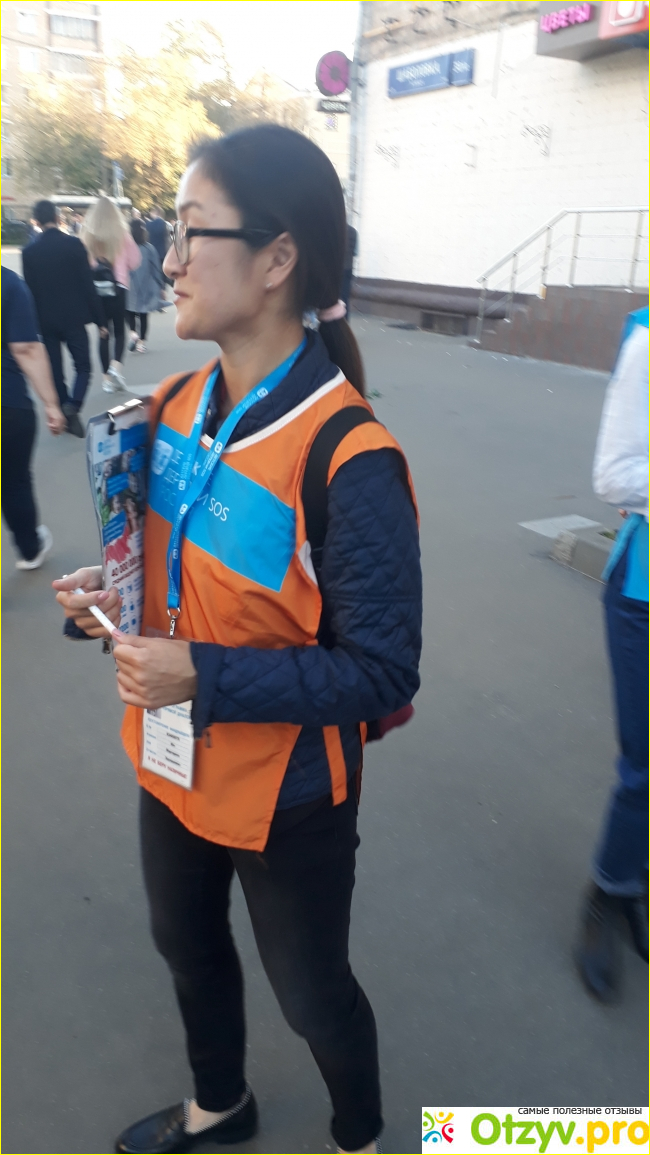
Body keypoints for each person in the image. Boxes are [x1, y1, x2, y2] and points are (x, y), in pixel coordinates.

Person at [54, 124, 422, 1155]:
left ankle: (359, 1135)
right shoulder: (173, 403)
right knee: (184, 944)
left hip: (289, 795)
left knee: (312, 996)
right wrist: (108, 600)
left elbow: (381, 669)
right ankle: (221, 1103)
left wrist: (201, 673)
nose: (165, 261)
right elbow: (165, 572)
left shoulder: (349, 455)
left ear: (275, 259)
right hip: (170, 755)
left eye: (188, 232)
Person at [576, 306, 649, 1002]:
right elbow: (616, 475)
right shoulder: (649, 340)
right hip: (644, 592)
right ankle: (609, 890)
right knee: (645, 763)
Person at [22, 199, 105, 437]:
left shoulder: (29, 252)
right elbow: (87, 285)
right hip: (74, 317)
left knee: (55, 370)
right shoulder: (74, 245)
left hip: (46, 320)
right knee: (83, 366)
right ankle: (73, 405)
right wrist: (100, 320)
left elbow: (30, 290)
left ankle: (66, 410)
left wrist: (32, 325)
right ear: (58, 218)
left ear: (37, 221)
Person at [2, 266, 65, 569]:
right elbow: (25, 348)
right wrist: (51, 403)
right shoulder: (8, 283)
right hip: (8, 403)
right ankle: (29, 549)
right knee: (13, 481)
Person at [81, 197, 141, 393]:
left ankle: (106, 380)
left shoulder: (87, 235)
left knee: (103, 333)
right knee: (120, 331)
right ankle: (116, 366)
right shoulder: (122, 234)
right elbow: (135, 261)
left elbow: (83, 263)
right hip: (118, 287)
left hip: (95, 289)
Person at [125, 219, 163, 353]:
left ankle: (133, 333)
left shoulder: (124, 248)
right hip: (145, 286)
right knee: (143, 315)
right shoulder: (149, 248)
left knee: (128, 312)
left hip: (128, 285)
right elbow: (156, 269)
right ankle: (141, 342)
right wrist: (161, 286)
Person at [341, 222, 358, 315]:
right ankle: (345, 318)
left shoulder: (336, 231)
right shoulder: (353, 231)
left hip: (337, 268)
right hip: (348, 268)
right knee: (345, 296)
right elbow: (355, 252)